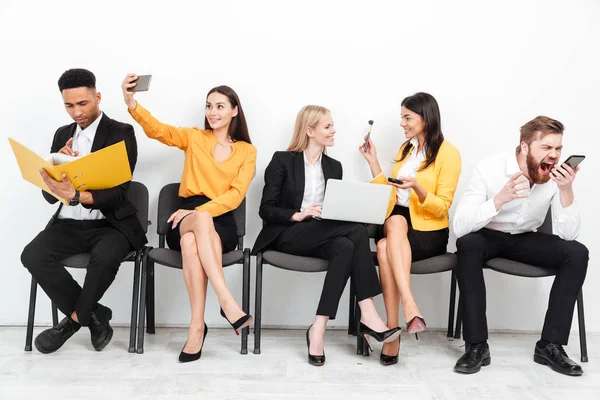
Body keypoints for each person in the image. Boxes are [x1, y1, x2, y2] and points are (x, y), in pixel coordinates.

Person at [121, 74, 256, 363]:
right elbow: (159, 131)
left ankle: (197, 326)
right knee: (196, 228)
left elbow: (235, 195)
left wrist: (200, 212)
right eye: (209, 106)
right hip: (184, 214)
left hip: (220, 219)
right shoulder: (195, 137)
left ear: (234, 110)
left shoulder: (247, 151)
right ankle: (227, 300)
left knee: (195, 241)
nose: (213, 112)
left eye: (220, 106)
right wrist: (132, 103)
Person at [252, 105, 401, 366]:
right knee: (353, 233)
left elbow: (335, 210)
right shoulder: (282, 160)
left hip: (321, 234)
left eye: (333, 125)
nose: (334, 130)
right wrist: (298, 214)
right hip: (287, 234)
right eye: (328, 126)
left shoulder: (334, 167)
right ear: (310, 131)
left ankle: (317, 328)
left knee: (345, 245)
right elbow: (266, 209)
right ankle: (368, 313)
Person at [21, 68, 146, 354]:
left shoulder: (121, 133)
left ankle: (71, 323)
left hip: (110, 224)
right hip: (68, 225)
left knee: (104, 258)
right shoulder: (62, 135)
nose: (76, 112)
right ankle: (95, 315)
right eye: (69, 105)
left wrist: (78, 195)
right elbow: (50, 197)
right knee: (32, 254)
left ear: (97, 97)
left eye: (83, 103)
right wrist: (56, 168)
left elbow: (120, 193)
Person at [452, 116, 588, 376]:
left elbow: (569, 235)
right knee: (467, 245)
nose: (554, 155)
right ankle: (476, 346)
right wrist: (500, 198)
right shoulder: (489, 168)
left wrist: (566, 190)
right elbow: (460, 226)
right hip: (488, 236)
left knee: (577, 253)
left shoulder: (554, 178)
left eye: (558, 148)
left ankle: (550, 345)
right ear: (525, 147)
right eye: (546, 148)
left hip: (525, 238)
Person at [359, 92, 461, 365]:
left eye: (407, 117)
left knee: (384, 245)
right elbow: (390, 195)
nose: (402, 124)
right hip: (397, 221)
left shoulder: (448, 153)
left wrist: (417, 186)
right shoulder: (406, 150)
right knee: (393, 223)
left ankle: (393, 332)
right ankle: (408, 310)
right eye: (401, 117)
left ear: (425, 118)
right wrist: (374, 163)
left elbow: (442, 206)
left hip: (428, 229)